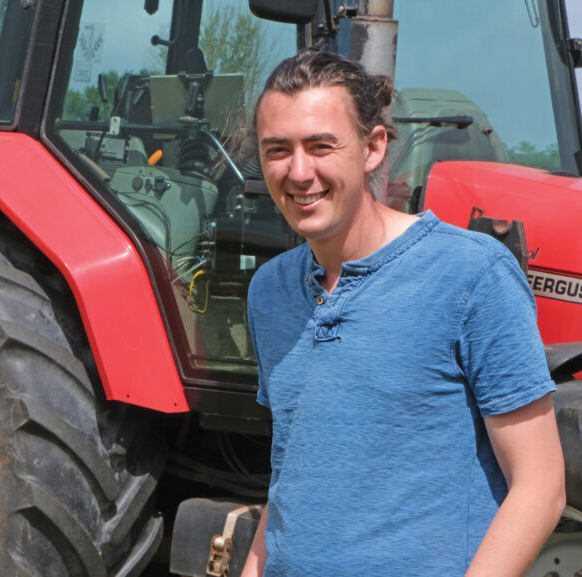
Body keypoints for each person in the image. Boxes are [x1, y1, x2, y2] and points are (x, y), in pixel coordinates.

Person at [241, 49, 565, 577]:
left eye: (321, 146)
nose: (299, 172)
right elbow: (291, 476)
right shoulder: (269, 291)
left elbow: (541, 486)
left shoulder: (472, 274)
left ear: (372, 148)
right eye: (278, 150)